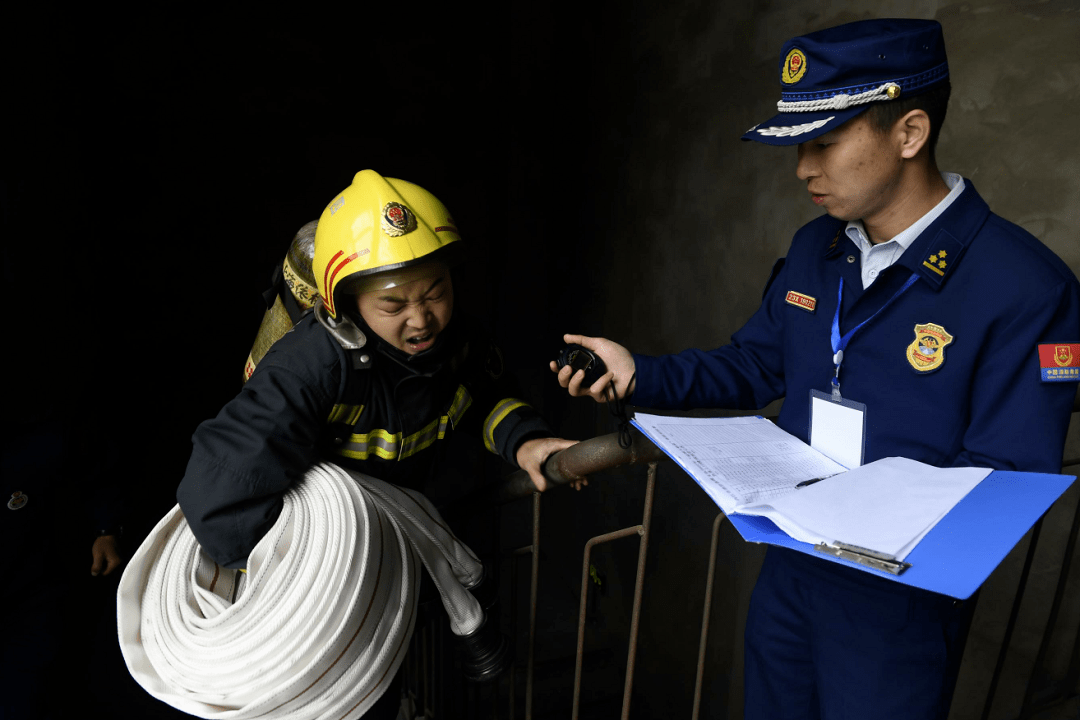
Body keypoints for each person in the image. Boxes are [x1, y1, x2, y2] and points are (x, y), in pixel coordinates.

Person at [552, 18, 1080, 720]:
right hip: (790, 569)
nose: (803, 167)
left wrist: (871, 520)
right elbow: (753, 363)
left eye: (824, 142)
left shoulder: (1025, 288)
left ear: (910, 133)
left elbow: (1006, 476)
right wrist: (639, 373)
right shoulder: (815, 249)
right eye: (800, 144)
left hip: (894, 601)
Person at [177, 169, 575, 717]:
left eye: (436, 292)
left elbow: (488, 398)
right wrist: (288, 578)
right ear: (347, 304)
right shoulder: (308, 368)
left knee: (380, 684)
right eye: (394, 306)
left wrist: (526, 443)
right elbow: (222, 484)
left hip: (392, 552)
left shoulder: (461, 342)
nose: (422, 319)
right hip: (326, 563)